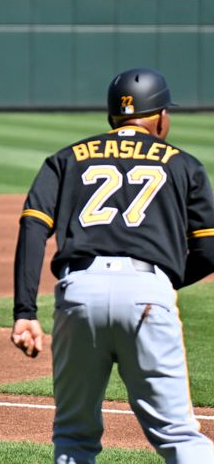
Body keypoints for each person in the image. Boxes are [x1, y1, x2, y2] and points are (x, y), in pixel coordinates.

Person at [11, 67, 214, 463]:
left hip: (79, 291)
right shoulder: (183, 164)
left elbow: (33, 228)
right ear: (159, 117)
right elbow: (208, 251)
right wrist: (163, 284)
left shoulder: (66, 158)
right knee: (179, 436)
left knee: (73, 436)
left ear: (112, 116)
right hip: (148, 291)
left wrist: (25, 312)